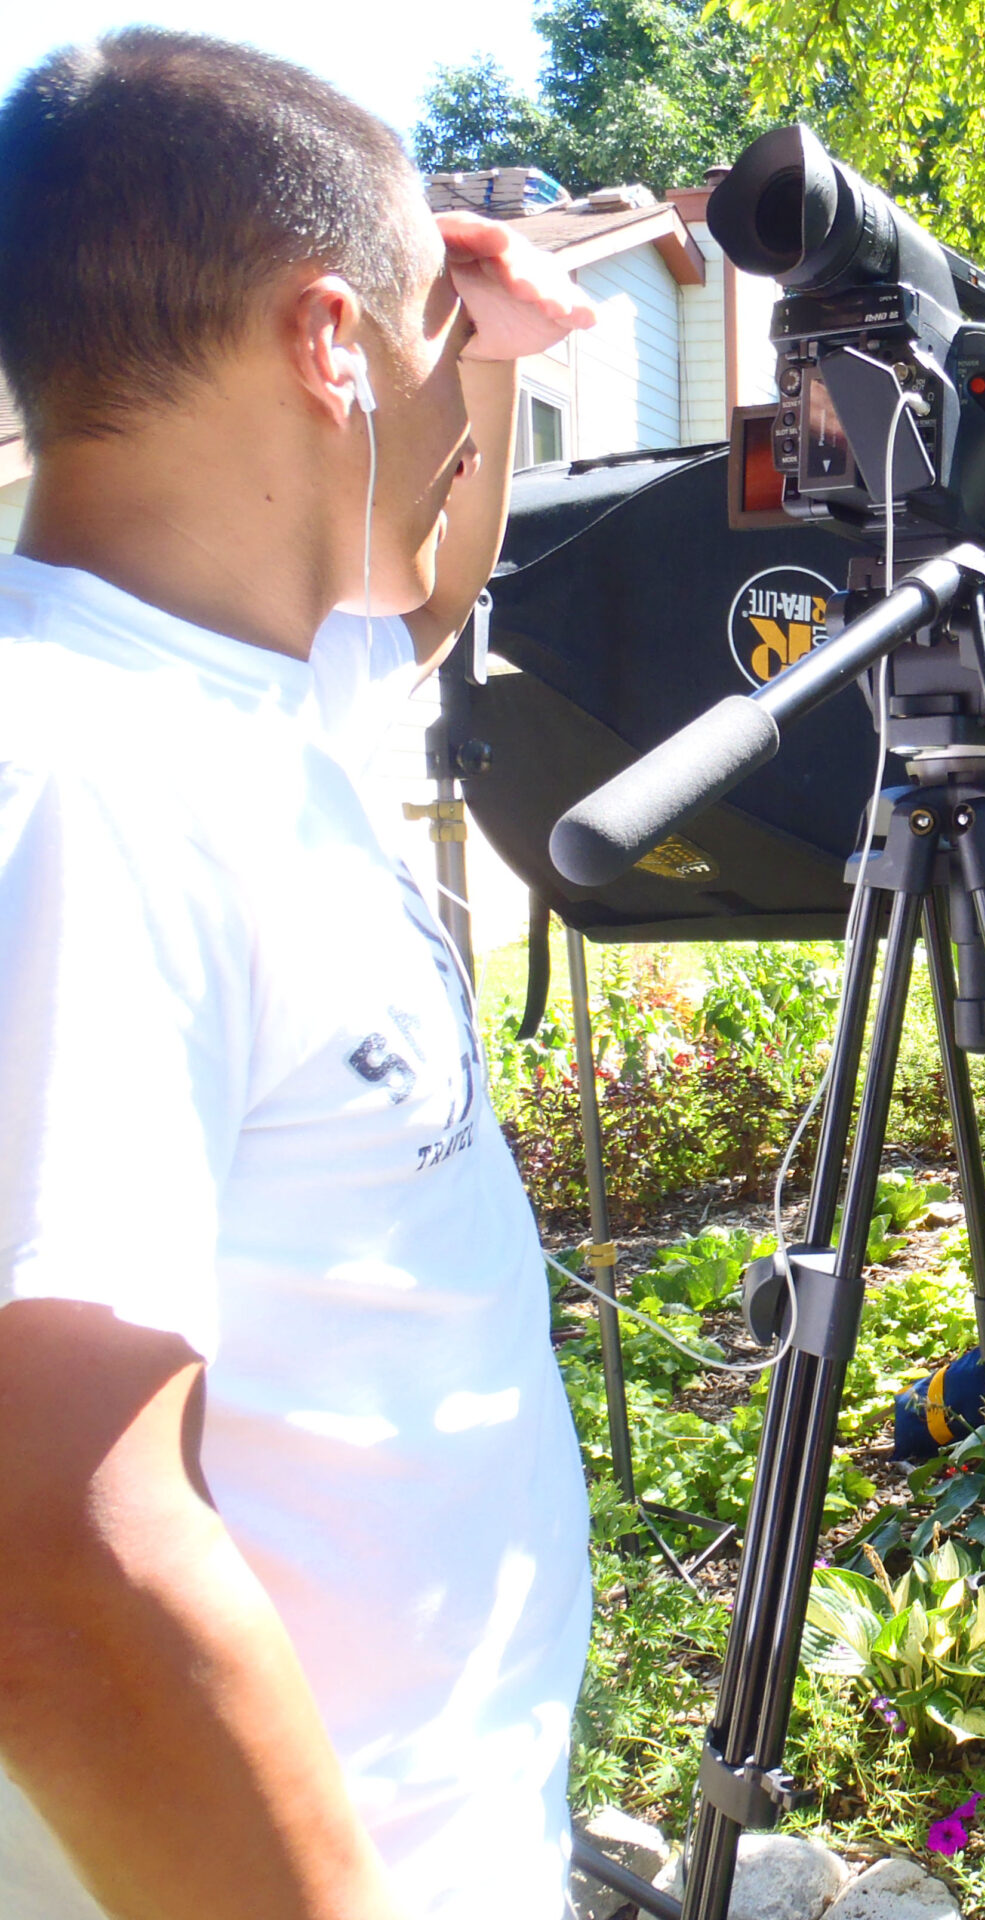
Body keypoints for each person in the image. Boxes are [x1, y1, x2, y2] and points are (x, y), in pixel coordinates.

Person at [0, 32, 599, 1920]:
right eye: (430, 337)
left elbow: (420, 598)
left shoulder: (232, 688)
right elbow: (52, 1552)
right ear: (330, 340)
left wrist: (475, 352)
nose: (455, 392)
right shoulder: (77, 778)